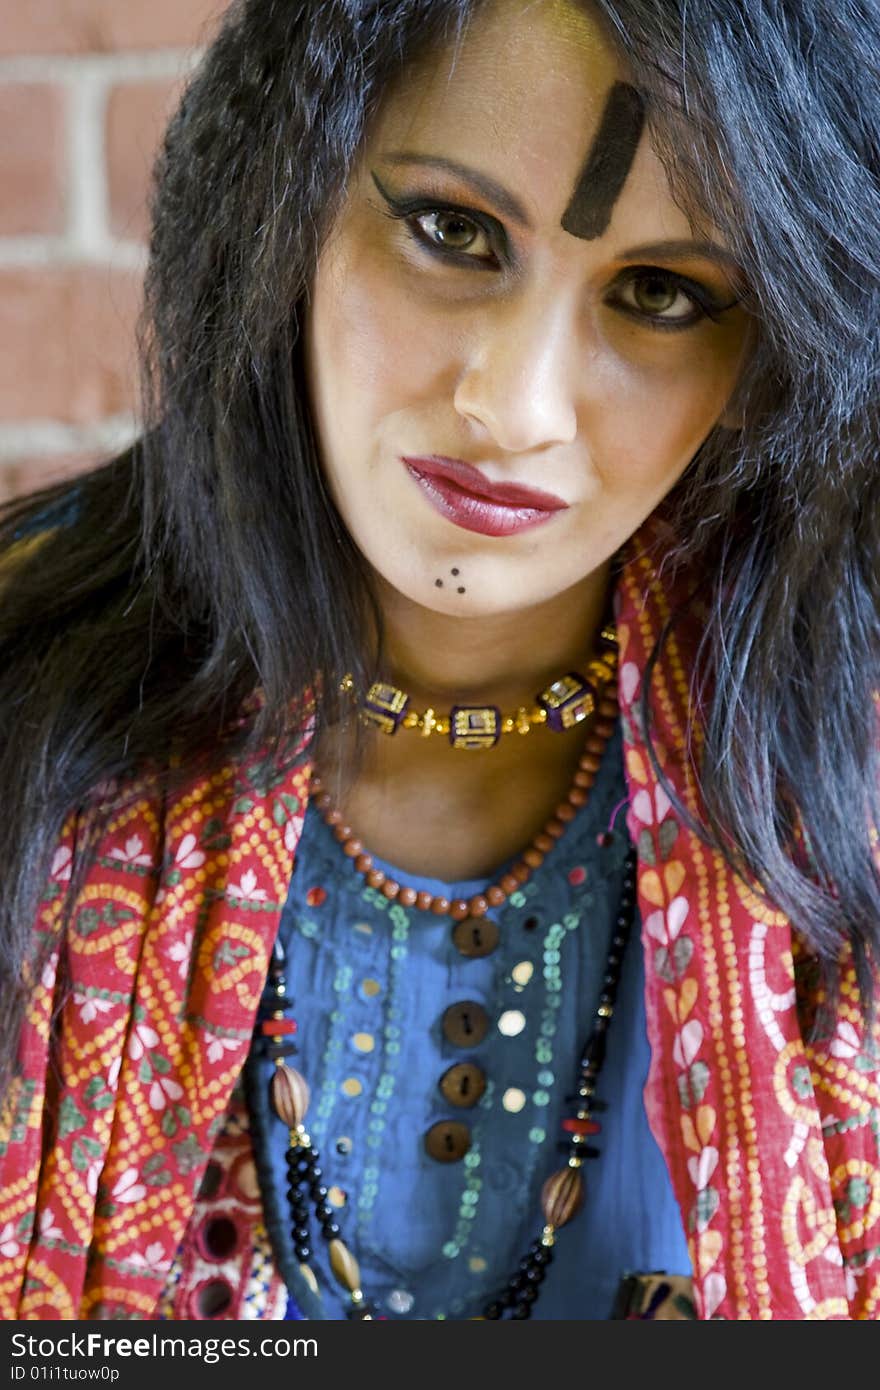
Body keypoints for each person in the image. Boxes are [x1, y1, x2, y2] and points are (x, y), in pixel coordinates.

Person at [0, 0, 878, 1323]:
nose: (510, 405)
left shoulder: (845, 782)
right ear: (287, 204)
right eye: (455, 234)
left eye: (659, 294)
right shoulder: (24, 689)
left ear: (765, 356)